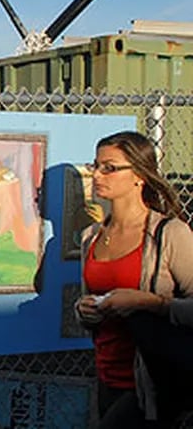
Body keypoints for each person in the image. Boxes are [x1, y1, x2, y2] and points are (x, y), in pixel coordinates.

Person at [74, 131, 193, 428]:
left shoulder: (169, 233)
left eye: (109, 168)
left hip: (154, 380)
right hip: (105, 375)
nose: (97, 175)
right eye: (95, 166)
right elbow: (89, 302)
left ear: (139, 175)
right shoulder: (91, 236)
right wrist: (84, 310)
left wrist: (150, 303)